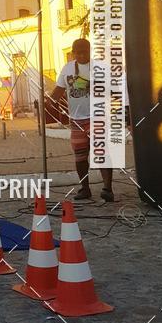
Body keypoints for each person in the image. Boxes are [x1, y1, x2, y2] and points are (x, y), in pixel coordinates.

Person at [48, 37, 114, 202]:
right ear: (73, 53)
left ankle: (107, 189)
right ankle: (85, 189)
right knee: (80, 156)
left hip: (96, 117)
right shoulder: (67, 68)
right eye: (78, 53)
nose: (82, 56)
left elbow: (110, 90)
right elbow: (59, 90)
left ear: (90, 52)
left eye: (85, 52)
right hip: (76, 120)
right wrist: (48, 101)